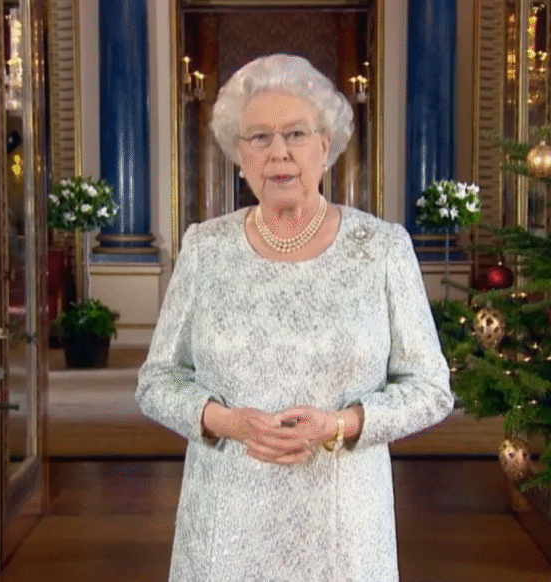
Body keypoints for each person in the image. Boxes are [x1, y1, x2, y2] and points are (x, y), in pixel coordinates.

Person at [136, 53, 453, 581]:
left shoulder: (380, 248)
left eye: (296, 134)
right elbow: (157, 382)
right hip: (227, 520)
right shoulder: (205, 248)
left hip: (343, 527)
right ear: (239, 155)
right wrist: (229, 421)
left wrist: (339, 425)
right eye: (258, 138)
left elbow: (432, 389)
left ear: (325, 147)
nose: (278, 152)